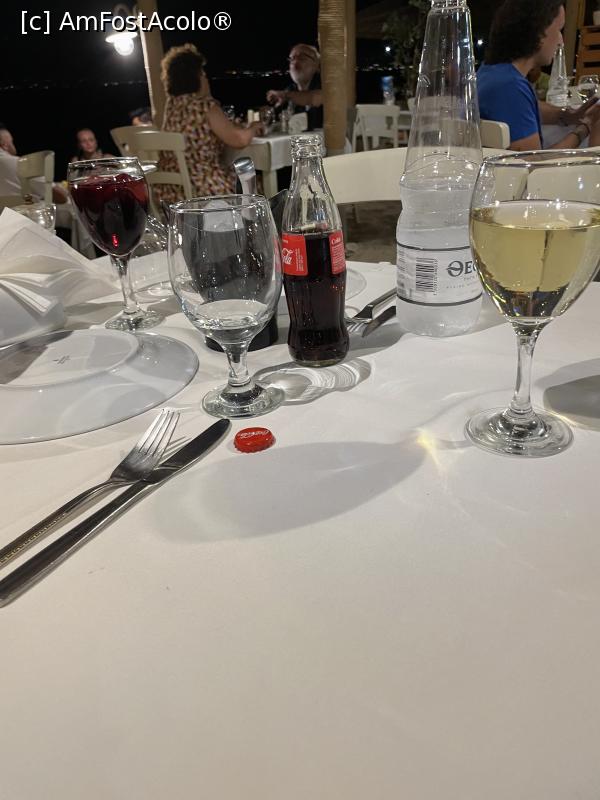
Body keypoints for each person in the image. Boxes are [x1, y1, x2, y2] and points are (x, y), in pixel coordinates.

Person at [477, 0, 600, 149]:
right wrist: (586, 127)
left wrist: (567, 116)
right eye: (558, 30)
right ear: (539, 33)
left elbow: (526, 108)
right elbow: (534, 161)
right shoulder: (510, 88)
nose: (561, 41)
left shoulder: (489, 72)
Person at [155, 44, 263, 206]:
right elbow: (239, 140)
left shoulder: (171, 107)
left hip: (170, 192)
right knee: (254, 183)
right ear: (196, 77)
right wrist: (254, 127)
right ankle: (255, 221)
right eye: (203, 74)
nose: (206, 78)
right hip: (203, 189)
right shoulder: (205, 107)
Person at [0, 122, 67, 203]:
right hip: (29, 211)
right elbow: (61, 197)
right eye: (12, 142)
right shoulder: (21, 164)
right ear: (5, 145)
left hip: (4, 211)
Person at [266, 44, 323, 130]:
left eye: (302, 58)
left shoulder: (327, 85)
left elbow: (314, 98)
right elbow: (275, 120)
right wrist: (270, 112)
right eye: (292, 58)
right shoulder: (290, 90)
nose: (295, 62)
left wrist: (285, 95)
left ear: (317, 66)